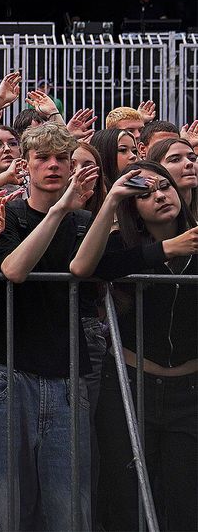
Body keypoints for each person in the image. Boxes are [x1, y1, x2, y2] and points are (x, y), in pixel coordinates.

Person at [0, 122, 100, 530]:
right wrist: (59, 209)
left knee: (68, 503)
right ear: (25, 166)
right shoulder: (8, 214)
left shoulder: (82, 222)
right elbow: (14, 269)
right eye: (43, 158)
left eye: (63, 158)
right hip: (9, 368)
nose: (54, 166)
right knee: (6, 500)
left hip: (66, 370)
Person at [71, 161, 198, 531]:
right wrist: (112, 200)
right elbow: (83, 268)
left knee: (185, 501)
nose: (159, 196)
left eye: (165, 187)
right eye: (145, 193)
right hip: (129, 386)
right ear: (132, 208)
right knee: (124, 499)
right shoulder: (121, 245)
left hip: (189, 392)